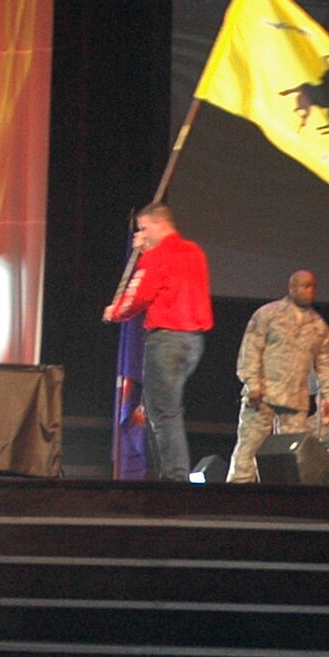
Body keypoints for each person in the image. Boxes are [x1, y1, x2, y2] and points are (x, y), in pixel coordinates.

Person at [103, 203, 213, 482]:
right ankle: (171, 473)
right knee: (164, 409)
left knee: (162, 411)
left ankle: (174, 478)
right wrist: (146, 252)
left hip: (167, 338)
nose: (140, 235)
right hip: (193, 341)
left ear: (159, 224)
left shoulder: (158, 255)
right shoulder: (194, 252)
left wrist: (115, 312)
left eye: (143, 228)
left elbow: (139, 293)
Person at [229, 270, 329, 482]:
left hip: (295, 397)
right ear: (292, 287)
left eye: (313, 287)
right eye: (305, 286)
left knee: (291, 453)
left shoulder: (319, 326)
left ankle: (282, 495)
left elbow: (325, 363)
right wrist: (252, 383)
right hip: (263, 393)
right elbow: (250, 350)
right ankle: (236, 492)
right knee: (249, 447)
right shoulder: (268, 314)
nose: (310, 291)